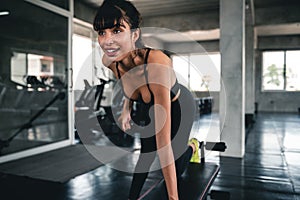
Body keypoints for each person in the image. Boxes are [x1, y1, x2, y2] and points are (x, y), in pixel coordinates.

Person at [93, 0, 200, 199]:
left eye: (117, 30)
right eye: (101, 32)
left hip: (179, 104)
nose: (107, 41)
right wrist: (126, 109)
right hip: (148, 104)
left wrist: (173, 198)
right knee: (145, 156)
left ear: (134, 34)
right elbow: (129, 85)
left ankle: (192, 146)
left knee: (171, 161)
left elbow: (164, 143)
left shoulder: (157, 62)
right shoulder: (110, 61)